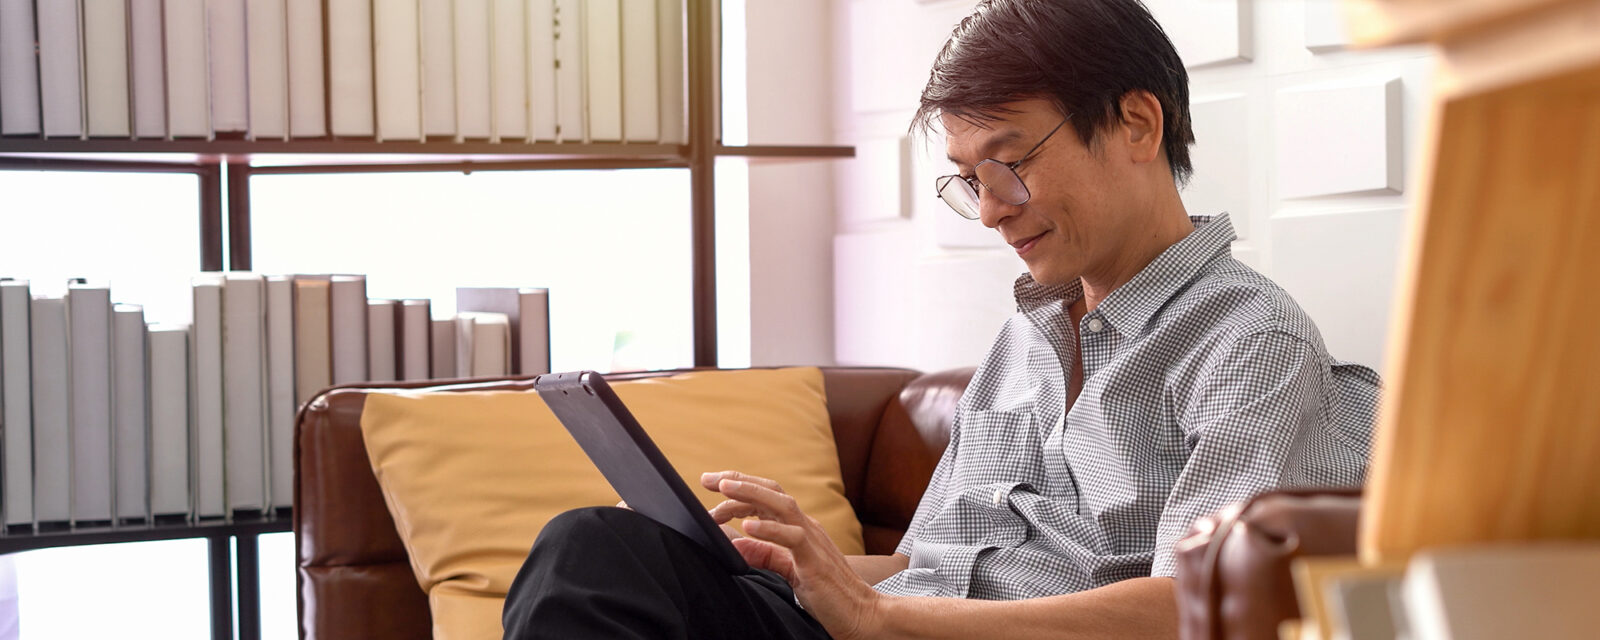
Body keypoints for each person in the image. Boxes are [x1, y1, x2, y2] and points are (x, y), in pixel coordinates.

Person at [502, 0, 1380, 638]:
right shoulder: (1026, 339)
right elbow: (938, 568)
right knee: (603, 550)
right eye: (970, 179)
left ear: (1137, 124)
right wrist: (813, 564)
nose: (994, 210)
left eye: (1009, 164)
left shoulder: (1248, 343)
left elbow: (1202, 607)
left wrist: (880, 618)